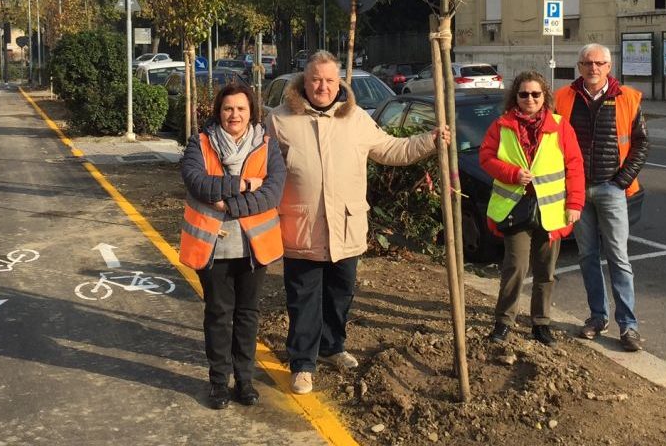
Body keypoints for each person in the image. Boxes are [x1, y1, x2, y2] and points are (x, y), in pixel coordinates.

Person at [265, 50, 448, 395]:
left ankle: (333, 347)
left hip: (347, 226)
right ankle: (303, 363)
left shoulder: (357, 119)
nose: (322, 86)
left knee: (340, 293)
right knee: (303, 297)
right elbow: (264, 169)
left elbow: (392, 150)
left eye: (330, 80)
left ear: (339, 83)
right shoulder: (279, 120)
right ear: (305, 80)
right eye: (316, 79)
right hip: (301, 227)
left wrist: (430, 141)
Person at [180, 82, 287, 409]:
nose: (234, 115)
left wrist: (229, 204)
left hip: (254, 249)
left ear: (252, 112)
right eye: (228, 109)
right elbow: (197, 182)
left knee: (247, 315)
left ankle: (244, 380)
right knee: (218, 315)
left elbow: (272, 192)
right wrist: (241, 184)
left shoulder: (267, 146)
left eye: (241, 109)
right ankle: (218, 382)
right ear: (219, 112)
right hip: (212, 248)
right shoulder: (200, 143)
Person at [554, 44, 649, 352]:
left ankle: (628, 326)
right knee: (587, 256)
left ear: (609, 66)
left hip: (612, 187)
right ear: (579, 66)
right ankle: (597, 317)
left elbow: (641, 144)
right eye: (586, 62)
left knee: (619, 258)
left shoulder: (628, 99)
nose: (593, 68)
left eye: (599, 63)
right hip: (577, 190)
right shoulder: (563, 98)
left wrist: (622, 181)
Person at [480, 71, 585, 347]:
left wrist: (575, 203)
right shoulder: (502, 125)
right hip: (515, 209)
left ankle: (541, 323)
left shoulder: (561, 126)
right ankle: (503, 322)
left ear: (545, 96)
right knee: (515, 267)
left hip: (550, 211)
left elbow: (574, 166)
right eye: (524, 94)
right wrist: (512, 174)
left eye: (535, 94)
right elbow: (486, 158)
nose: (530, 99)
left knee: (545, 271)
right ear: (515, 96)